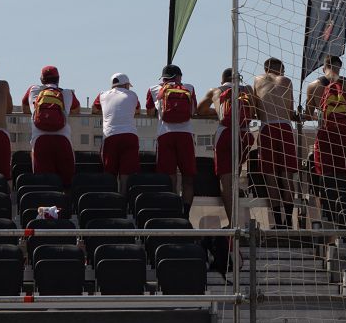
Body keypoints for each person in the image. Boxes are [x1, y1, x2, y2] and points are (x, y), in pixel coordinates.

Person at [198, 68, 255, 221]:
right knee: (235, 175)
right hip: (245, 134)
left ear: (222, 80)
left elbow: (200, 109)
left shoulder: (215, 90)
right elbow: (254, 111)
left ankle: (233, 222)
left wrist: (216, 111)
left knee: (226, 180)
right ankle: (242, 219)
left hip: (226, 133)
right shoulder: (248, 89)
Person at [146, 64, 198, 214]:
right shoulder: (189, 87)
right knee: (188, 177)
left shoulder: (153, 89)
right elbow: (193, 111)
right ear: (179, 76)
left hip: (165, 135)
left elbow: (150, 112)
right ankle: (186, 213)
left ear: (163, 78)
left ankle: (173, 210)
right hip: (185, 135)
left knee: (169, 176)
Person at [253, 57, 298, 228]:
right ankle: (289, 222)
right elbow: (289, 109)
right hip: (284, 128)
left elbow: (257, 109)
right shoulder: (286, 81)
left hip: (267, 129)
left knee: (270, 177)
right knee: (286, 177)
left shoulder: (257, 80)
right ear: (280, 69)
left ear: (266, 69)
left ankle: (278, 222)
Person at [304, 55, 346, 194]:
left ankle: (326, 208)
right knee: (344, 173)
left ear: (324, 68)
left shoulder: (313, 86)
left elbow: (308, 115)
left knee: (324, 173)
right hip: (343, 135)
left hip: (324, 135)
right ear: (340, 67)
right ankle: (344, 205)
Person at [21, 65, 80, 187]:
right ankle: (65, 205)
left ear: (42, 79)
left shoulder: (33, 90)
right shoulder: (68, 93)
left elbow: (25, 108)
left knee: (43, 183)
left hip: (40, 141)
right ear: (58, 79)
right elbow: (76, 110)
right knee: (67, 183)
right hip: (63, 140)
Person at [91, 73, 140, 194]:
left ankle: (111, 199)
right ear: (126, 85)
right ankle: (123, 200)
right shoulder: (133, 95)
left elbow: (94, 109)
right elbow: (137, 110)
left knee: (110, 172)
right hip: (130, 135)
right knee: (126, 173)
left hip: (110, 136)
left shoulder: (102, 95)